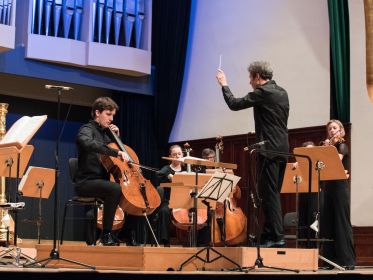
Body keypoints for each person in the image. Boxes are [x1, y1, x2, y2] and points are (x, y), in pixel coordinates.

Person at [216, 61, 289, 248]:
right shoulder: (282, 91)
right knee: (270, 193)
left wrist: (224, 84)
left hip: (269, 150)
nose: (250, 82)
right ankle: (268, 235)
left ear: (257, 76)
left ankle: (277, 236)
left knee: (268, 194)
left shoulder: (264, 92)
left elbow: (234, 104)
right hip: (282, 150)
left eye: (250, 78)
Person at [75, 97, 128, 246]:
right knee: (114, 189)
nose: (111, 119)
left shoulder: (106, 134)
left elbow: (115, 159)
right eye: (108, 114)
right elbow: (86, 142)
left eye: (113, 115)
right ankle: (106, 235)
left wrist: (116, 138)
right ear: (97, 112)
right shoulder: (86, 129)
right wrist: (114, 151)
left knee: (128, 194)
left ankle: (127, 236)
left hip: (102, 182)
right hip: (86, 182)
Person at [320, 120, 355, 270]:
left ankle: (347, 260)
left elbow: (335, 162)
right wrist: (325, 149)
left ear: (341, 130)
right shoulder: (327, 148)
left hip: (340, 188)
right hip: (328, 187)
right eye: (329, 129)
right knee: (328, 223)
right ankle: (328, 261)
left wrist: (327, 148)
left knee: (341, 223)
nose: (332, 131)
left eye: (335, 128)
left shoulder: (342, 146)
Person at [153, 145, 186, 246]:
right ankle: (165, 240)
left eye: (179, 154)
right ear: (170, 156)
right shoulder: (166, 169)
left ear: (183, 155)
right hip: (169, 200)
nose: (177, 156)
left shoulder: (186, 169)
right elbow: (157, 175)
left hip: (183, 201)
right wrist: (168, 175)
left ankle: (194, 240)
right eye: (174, 154)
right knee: (164, 211)